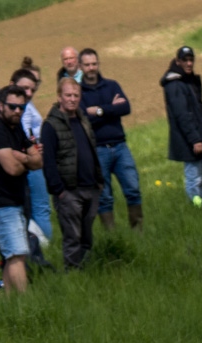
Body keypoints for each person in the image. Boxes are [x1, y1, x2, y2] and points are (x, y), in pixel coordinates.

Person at [0, 85, 41, 291]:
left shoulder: (16, 128)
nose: (17, 111)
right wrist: (26, 159)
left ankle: (10, 301)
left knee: (12, 255)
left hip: (12, 201)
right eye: (12, 106)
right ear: (1, 105)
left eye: (22, 107)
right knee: (16, 255)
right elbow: (12, 168)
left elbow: (39, 161)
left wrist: (23, 157)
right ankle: (25, 303)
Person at [75, 49, 142, 230]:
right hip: (97, 150)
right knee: (104, 197)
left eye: (94, 64)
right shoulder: (78, 92)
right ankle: (112, 236)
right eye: (87, 65)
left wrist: (99, 111)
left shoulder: (112, 85)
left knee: (133, 189)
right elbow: (83, 120)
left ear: (98, 64)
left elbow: (126, 108)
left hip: (120, 146)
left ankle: (138, 233)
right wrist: (111, 109)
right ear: (80, 67)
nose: (91, 68)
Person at [41, 77, 99, 267]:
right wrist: (59, 190)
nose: (72, 99)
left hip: (90, 187)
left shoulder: (83, 120)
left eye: (76, 95)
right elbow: (48, 161)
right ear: (59, 97)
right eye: (68, 95)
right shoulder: (50, 125)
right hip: (69, 191)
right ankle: (72, 273)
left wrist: (99, 182)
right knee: (72, 236)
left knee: (87, 236)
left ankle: (86, 269)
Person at [161, 47, 202, 206]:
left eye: (191, 60)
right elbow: (182, 115)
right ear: (178, 62)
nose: (189, 63)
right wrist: (195, 139)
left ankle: (201, 203)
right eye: (185, 60)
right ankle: (197, 206)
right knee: (194, 177)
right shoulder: (175, 84)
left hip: (196, 135)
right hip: (189, 139)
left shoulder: (186, 80)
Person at [9, 65, 51, 256]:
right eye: (25, 88)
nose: (29, 93)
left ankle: (36, 247)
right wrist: (33, 148)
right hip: (29, 162)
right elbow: (23, 135)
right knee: (40, 207)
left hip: (30, 159)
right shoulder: (21, 109)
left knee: (32, 208)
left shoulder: (23, 106)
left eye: (32, 89)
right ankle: (43, 248)